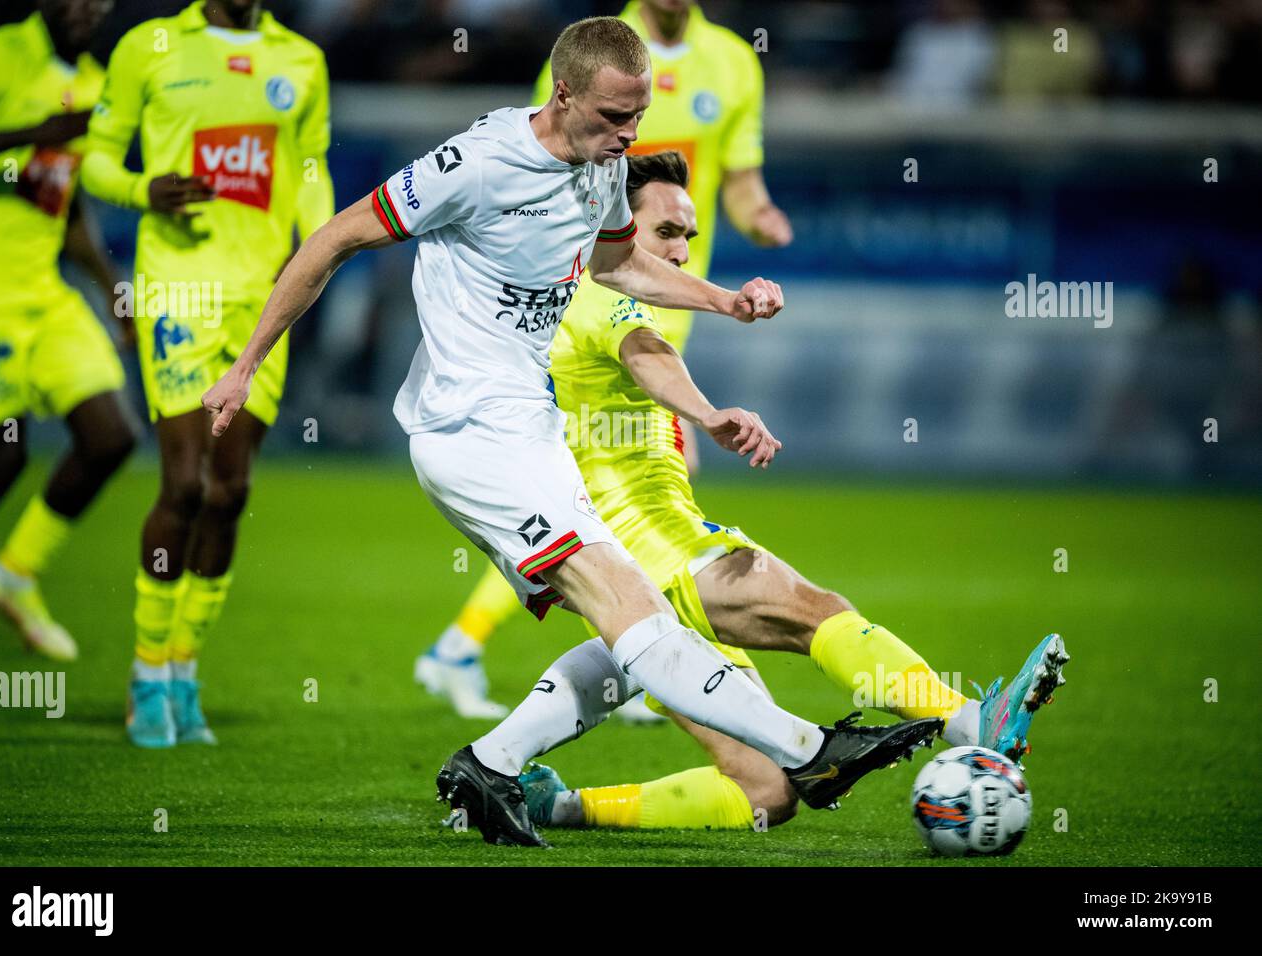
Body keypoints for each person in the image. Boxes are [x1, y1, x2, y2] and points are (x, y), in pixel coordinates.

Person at [201, 16, 943, 847]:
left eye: (639, 116)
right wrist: (245, 364)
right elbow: (336, 238)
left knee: (638, 620)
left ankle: (491, 764)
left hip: (531, 429)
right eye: (615, 116)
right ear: (563, 95)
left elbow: (617, 263)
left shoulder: (605, 166)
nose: (630, 134)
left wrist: (724, 301)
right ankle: (810, 751)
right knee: (634, 609)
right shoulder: (477, 164)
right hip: (468, 435)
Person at [454, 150, 1068, 832]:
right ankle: (969, 721)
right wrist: (707, 414)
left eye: (688, 235)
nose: (681, 250)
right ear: (616, 227)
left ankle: (543, 797)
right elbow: (646, 356)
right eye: (665, 232)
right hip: (649, 541)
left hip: (613, 548)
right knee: (812, 610)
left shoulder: (574, 291)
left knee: (765, 792)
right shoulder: (605, 294)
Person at [419, 0, 795, 720]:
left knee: (607, 498)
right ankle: (623, 654)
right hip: (591, 302)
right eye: (621, 118)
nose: (628, 132)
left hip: (664, 300)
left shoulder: (732, 63)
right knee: (588, 497)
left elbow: (742, 182)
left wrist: (762, 221)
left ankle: (623, 652)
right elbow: (547, 158)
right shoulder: (597, 54)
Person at [82, 0, 334, 747]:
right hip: (177, 290)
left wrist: (320, 248)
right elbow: (95, 157)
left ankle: (184, 672)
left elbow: (310, 171)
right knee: (185, 484)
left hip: (264, 300)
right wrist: (142, 188)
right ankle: (147, 674)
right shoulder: (149, 47)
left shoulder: (301, 60)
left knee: (230, 492)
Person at [0, 0, 137, 665]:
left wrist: (110, 287)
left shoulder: (93, 82)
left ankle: (13, 577)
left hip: (43, 289)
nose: (89, 10)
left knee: (111, 437)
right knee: (0, 457)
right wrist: (35, 131)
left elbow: (65, 200)